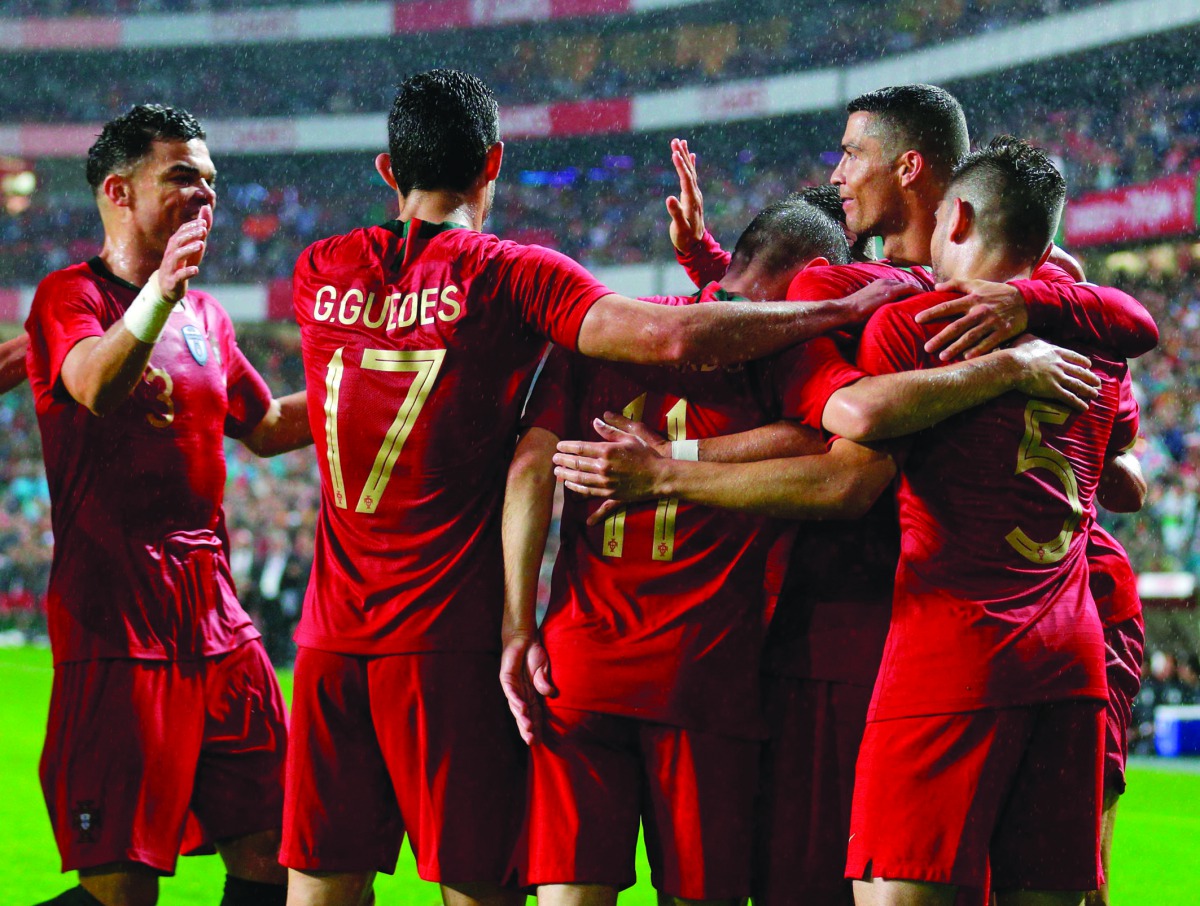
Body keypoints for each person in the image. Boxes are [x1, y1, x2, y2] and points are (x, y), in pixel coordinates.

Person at [281, 68, 924, 906]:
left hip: (439, 653)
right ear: (495, 163)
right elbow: (716, 366)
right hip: (606, 663)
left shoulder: (318, 268)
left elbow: (536, 454)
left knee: (332, 884)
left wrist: (524, 622)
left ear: (385, 169)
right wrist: (842, 310)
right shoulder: (520, 279)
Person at [25, 104, 311, 906]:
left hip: (219, 623)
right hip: (117, 622)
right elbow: (94, 383)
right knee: (125, 889)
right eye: (182, 177)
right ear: (118, 190)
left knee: (275, 854)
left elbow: (266, 427)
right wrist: (156, 292)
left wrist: (375, 380)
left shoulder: (208, 318)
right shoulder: (67, 297)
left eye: (211, 182)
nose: (205, 197)